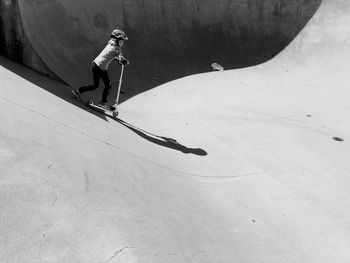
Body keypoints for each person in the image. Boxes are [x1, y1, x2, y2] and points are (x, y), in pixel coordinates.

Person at [72, 29, 129, 107]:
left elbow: (109, 54)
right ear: (117, 40)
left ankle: (77, 91)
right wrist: (123, 61)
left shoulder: (110, 43)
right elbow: (120, 57)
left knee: (95, 85)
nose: (122, 43)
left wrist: (119, 60)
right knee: (108, 85)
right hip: (101, 68)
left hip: (95, 64)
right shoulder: (117, 49)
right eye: (121, 41)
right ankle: (103, 102)